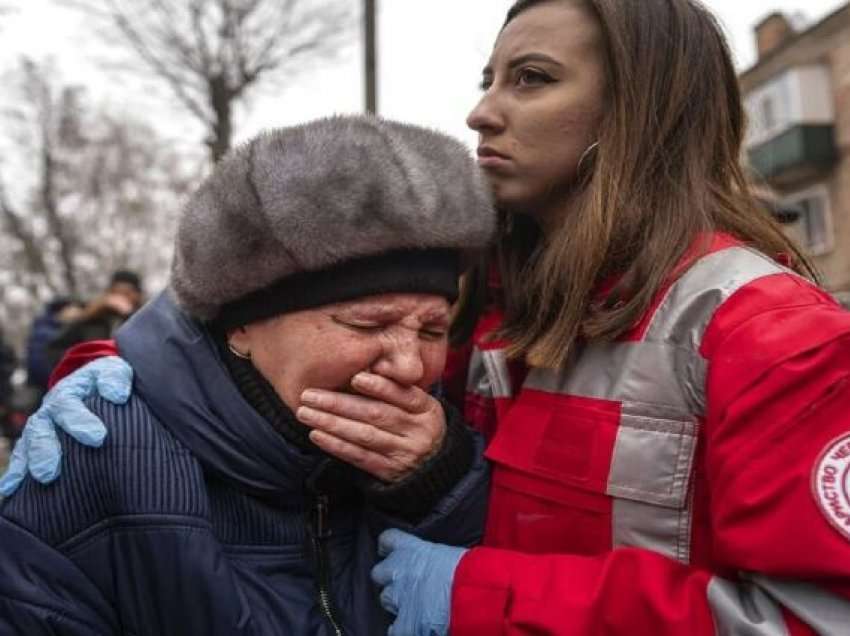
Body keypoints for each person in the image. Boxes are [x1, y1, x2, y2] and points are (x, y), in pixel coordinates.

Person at [7, 1, 850, 635]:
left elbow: (812, 616)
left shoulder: (767, 333)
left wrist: (476, 593)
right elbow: (266, 321)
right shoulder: (491, 295)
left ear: (641, 109)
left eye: (532, 79)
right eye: (488, 79)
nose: (483, 110)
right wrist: (117, 385)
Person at [0, 115, 495, 634]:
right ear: (241, 327)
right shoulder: (97, 449)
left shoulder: (447, 443)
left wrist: (439, 489)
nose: (411, 366)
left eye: (433, 330)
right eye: (367, 323)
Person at [44, 270, 144, 374]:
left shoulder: (144, 322)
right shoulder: (91, 320)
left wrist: (129, 315)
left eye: (127, 293)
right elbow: (55, 351)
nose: (120, 297)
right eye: (116, 292)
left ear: (137, 295)